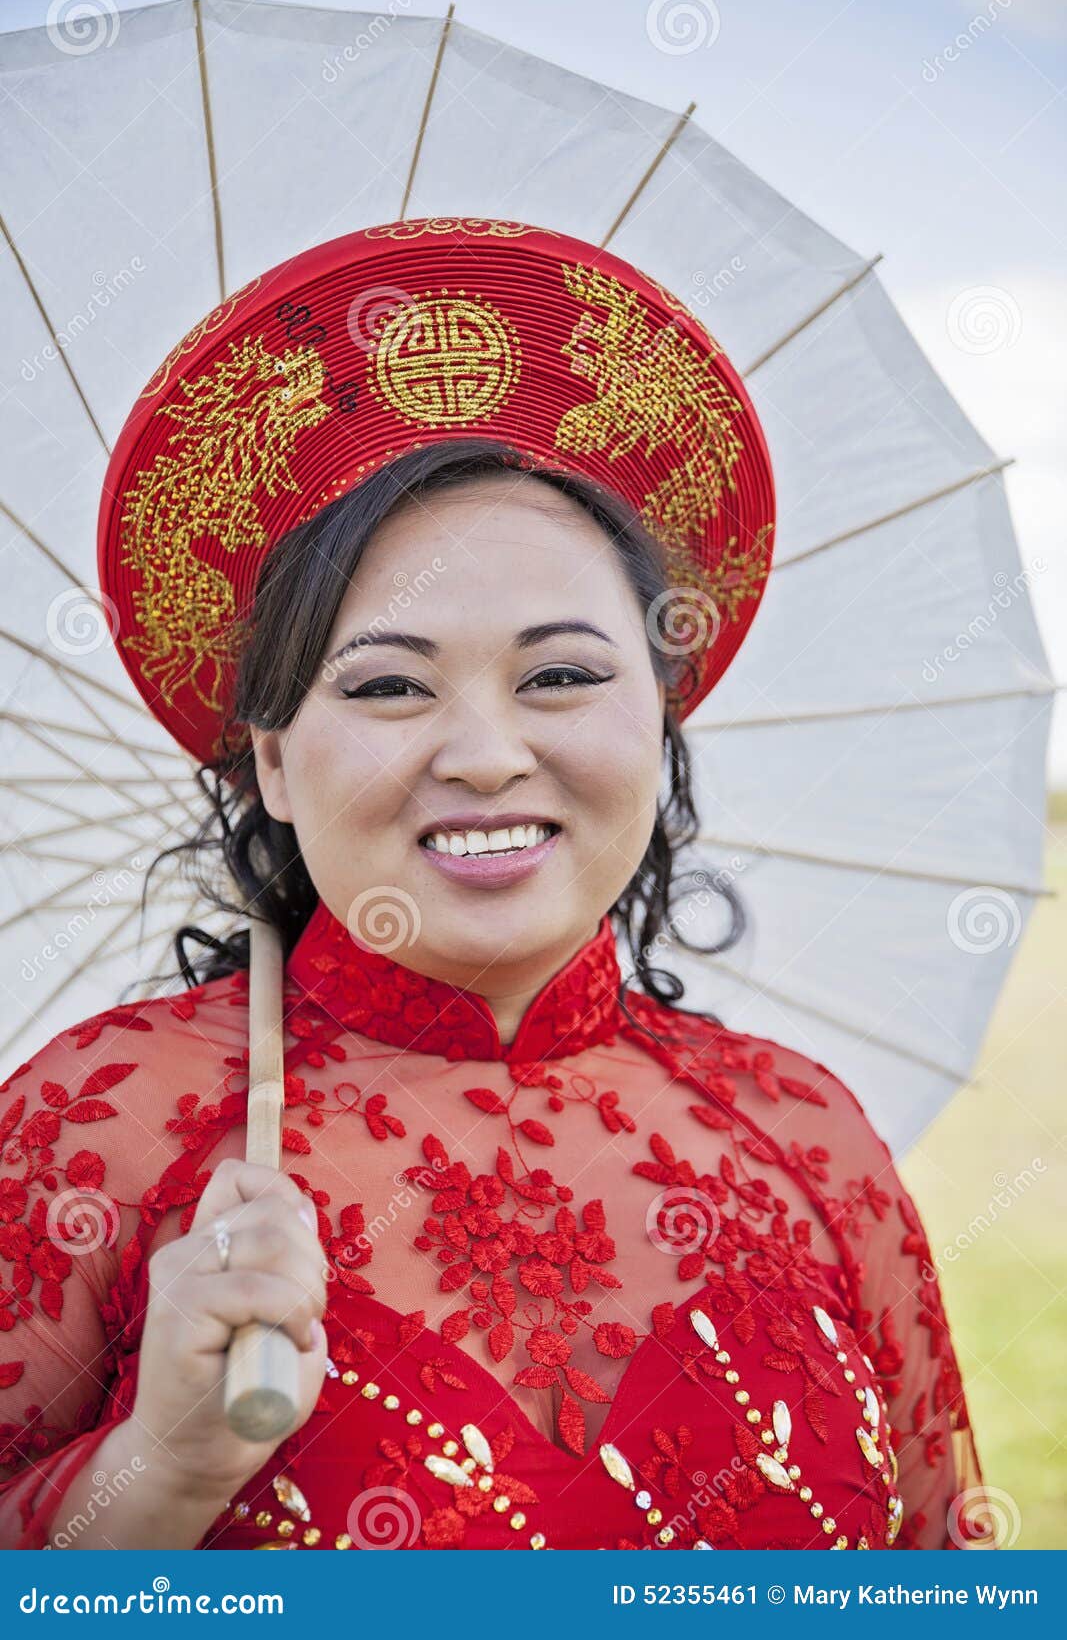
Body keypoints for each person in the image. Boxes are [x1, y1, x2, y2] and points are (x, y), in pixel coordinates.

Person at [0, 221, 982, 1551]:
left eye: (562, 674)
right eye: (390, 684)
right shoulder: (90, 1132)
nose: (485, 754)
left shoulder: (810, 1143)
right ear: (276, 758)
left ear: (660, 713)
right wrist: (156, 1469)